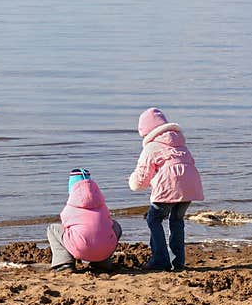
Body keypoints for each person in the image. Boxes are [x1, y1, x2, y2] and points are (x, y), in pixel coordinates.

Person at [128, 108, 204, 271]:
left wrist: (133, 183)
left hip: (169, 186)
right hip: (190, 186)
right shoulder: (181, 144)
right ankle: (178, 261)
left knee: (153, 219)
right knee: (177, 221)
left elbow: (142, 176)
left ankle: (160, 260)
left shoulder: (151, 148)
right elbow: (189, 162)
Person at [47, 168, 122, 272]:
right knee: (116, 226)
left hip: (81, 248)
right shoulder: (102, 204)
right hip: (104, 250)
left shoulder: (71, 206)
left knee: (52, 229)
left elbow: (65, 225)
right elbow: (108, 222)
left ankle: (64, 263)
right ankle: (102, 262)